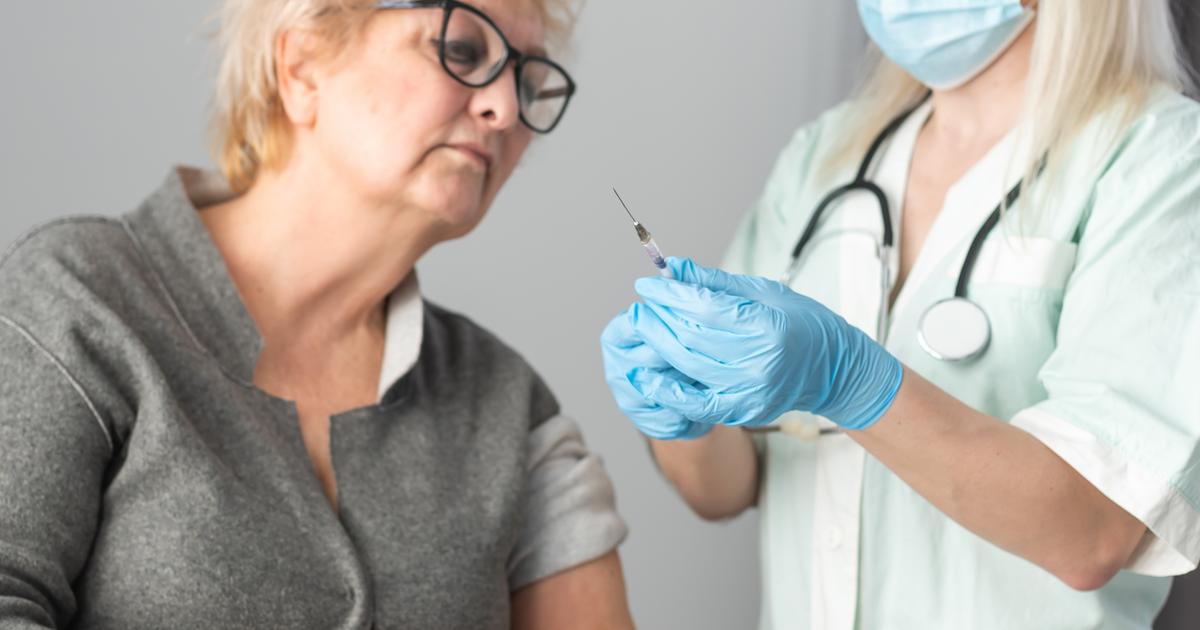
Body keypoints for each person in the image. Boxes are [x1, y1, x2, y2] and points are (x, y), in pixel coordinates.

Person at [0, 1, 633, 628]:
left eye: (527, 82)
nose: (506, 108)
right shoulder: (80, 298)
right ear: (302, 66)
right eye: (462, 50)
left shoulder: (511, 407)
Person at [602, 0, 1200, 628]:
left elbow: (1096, 534)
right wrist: (682, 409)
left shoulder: (1160, 159)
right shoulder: (825, 153)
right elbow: (729, 489)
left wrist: (849, 381)